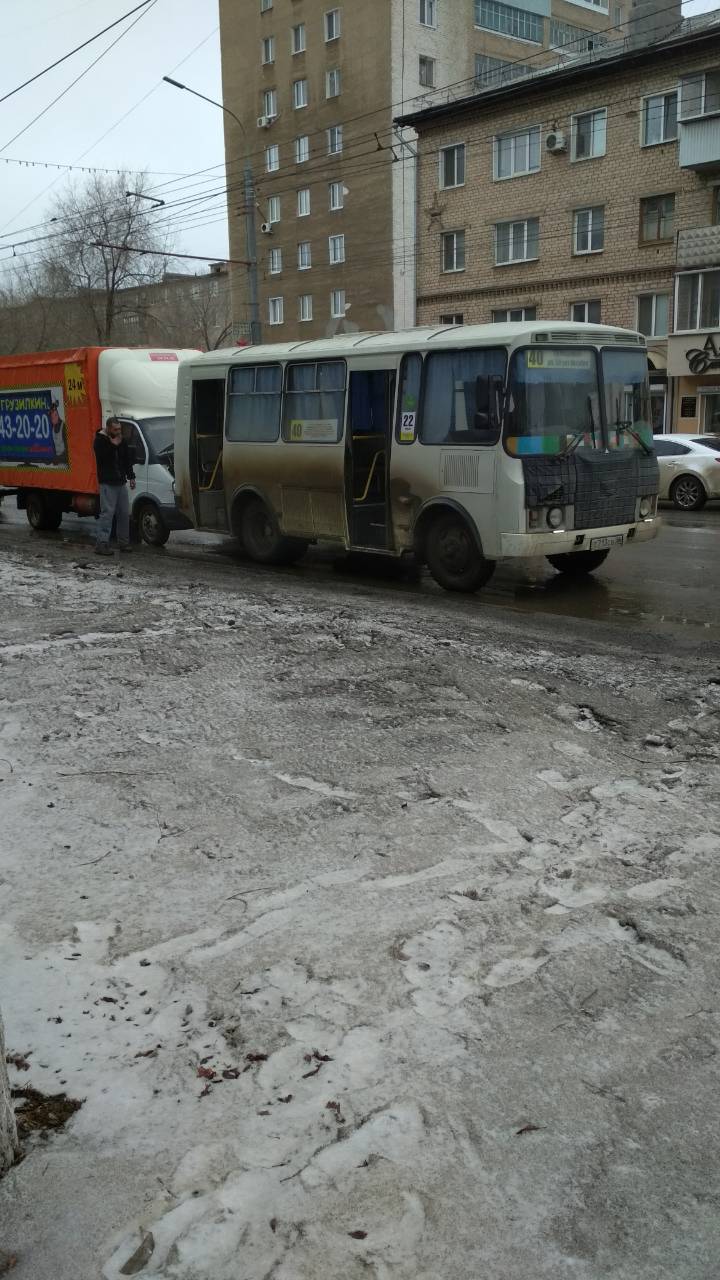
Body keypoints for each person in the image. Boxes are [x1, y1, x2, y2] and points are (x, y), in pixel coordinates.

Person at [93, 416, 136, 556]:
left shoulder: (120, 439)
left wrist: (131, 476)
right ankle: (102, 544)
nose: (118, 432)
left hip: (120, 482)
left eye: (120, 429)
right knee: (107, 514)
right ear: (108, 428)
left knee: (124, 513)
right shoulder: (100, 440)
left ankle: (124, 542)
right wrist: (113, 445)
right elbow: (103, 458)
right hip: (107, 483)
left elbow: (126, 459)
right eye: (115, 429)